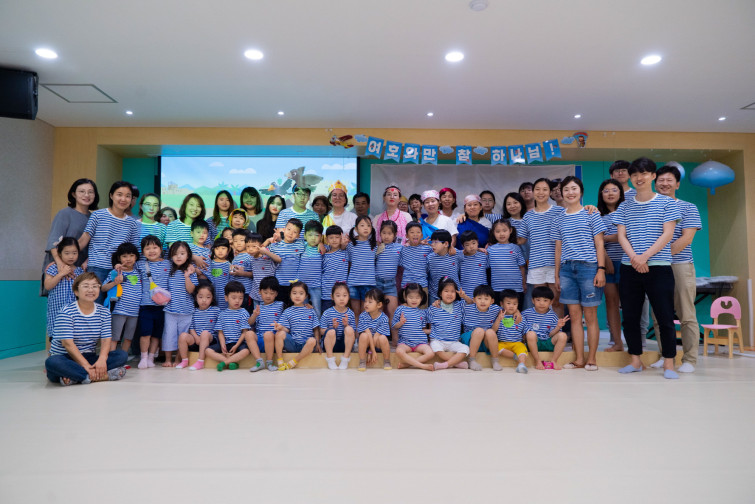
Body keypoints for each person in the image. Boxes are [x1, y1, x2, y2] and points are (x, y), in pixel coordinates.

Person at [613, 157, 681, 379]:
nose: (638, 178)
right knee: (630, 317)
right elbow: (621, 236)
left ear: (653, 176)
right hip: (629, 267)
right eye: (634, 174)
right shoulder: (624, 205)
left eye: (643, 173)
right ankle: (635, 361)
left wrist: (645, 257)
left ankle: (669, 363)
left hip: (659, 267)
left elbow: (668, 234)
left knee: (664, 316)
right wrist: (635, 258)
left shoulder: (667, 203)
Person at [649, 163, 701, 373]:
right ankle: (665, 355)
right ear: (655, 183)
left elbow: (686, 238)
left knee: (686, 314)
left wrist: (657, 254)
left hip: (679, 264)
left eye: (669, 180)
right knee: (659, 315)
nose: (664, 183)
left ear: (677, 184)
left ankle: (690, 359)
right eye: (660, 180)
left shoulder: (688, 207)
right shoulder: (650, 208)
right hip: (655, 267)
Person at [552, 176, 606, 371]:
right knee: (574, 317)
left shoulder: (591, 214)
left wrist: (601, 269)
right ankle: (579, 359)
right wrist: (557, 275)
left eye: (574, 188)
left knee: (590, 317)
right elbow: (558, 248)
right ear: (561, 193)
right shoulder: (558, 218)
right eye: (566, 189)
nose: (570, 192)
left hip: (589, 268)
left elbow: (599, 243)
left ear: (581, 191)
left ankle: (592, 359)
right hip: (567, 270)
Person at [44, 272, 128, 386]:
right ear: (76, 291)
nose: (91, 290)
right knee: (52, 362)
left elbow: (105, 339)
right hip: (65, 357)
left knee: (122, 355)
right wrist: (86, 366)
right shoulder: (66, 312)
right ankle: (99, 376)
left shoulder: (104, 312)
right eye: (86, 286)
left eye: (95, 286)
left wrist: (102, 360)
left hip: (89, 356)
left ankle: (75, 377)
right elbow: (68, 344)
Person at [78, 181, 141, 295]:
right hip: (97, 268)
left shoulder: (133, 223)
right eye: (119, 194)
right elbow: (84, 239)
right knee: (94, 302)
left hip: (120, 271)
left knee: (115, 304)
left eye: (128, 196)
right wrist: (63, 258)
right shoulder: (97, 215)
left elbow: (133, 249)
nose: (123, 199)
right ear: (111, 196)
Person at [518, 178, 565, 316]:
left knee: (556, 302)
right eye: (537, 189)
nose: (541, 192)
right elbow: (521, 239)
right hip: (536, 265)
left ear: (550, 192)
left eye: (545, 189)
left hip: (555, 265)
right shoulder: (528, 216)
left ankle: (557, 330)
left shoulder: (560, 211)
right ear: (533, 192)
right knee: (540, 304)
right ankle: (542, 330)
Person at [43, 179, 98, 290]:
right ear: (73, 194)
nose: (86, 195)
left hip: (81, 269)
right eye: (82, 191)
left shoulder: (94, 217)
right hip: (60, 266)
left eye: (90, 192)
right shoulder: (65, 213)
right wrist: (60, 264)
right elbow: (53, 241)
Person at [206, 281, 264, 372]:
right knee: (207, 351)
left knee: (246, 351)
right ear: (226, 298)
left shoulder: (243, 312)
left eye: (240, 298)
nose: (237, 301)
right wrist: (223, 345)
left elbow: (245, 332)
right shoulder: (222, 314)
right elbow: (220, 332)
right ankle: (230, 361)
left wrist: (236, 345)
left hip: (239, 343)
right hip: (226, 343)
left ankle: (224, 363)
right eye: (234, 298)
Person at [597, 179, 626, 352]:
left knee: (629, 303)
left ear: (620, 193)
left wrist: (603, 238)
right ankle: (617, 342)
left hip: (628, 262)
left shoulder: (627, 211)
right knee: (611, 303)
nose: (610, 193)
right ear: (601, 194)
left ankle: (634, 340)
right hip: (606, 264)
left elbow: (626, 235)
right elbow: (593, 240)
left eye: (614, 190)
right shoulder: (596, 215)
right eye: (606, 190)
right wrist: (606, 259)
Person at [136, 235, 171, 369]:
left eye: (155, 247)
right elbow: (127, 267)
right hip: (146, 305)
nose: (151, 251)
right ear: (142, 251)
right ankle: (143, 357)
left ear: (161, 249)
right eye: (147, 248)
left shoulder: (168, 263)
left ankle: (151, 357)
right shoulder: (140, 265)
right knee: (145, 333)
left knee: (157, 334)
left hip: (163, 306)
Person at [162, 241, 199, 367]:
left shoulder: (190, 271)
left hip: (187, 310)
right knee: (169, 335)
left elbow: (191, 290)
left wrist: (187, 276)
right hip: (170, 309)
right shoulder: (168, 269)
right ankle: (168, 359)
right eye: (175, 254)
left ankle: (178, 359)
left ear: (188, 255)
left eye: (182, 253)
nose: (178, 257)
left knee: (182, 336)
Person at [101, 242, 142, 354]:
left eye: (131, 255)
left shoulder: (139, 272)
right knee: (115, 337)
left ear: (136, 257)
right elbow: (103, 288)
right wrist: (115, 282)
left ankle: (122, 358)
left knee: (129, 337)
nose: (128, 259)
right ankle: (112, 358)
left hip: (135, 312)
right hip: (119, 310)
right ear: (119, 258)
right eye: (124, 256)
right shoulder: (115, 272)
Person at [273, 281, 320, 370]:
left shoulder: (310, 310)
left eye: (301, 293)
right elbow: (287, 330)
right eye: (294, 293)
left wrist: (318, 343)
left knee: (312, 341)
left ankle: (294, 361)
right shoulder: (287, 311)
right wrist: (281, 327)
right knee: (279, 333)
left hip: (306, 345)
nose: (297, 296)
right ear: (290, 295)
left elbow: (316, 329)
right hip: (293, 344)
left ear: (305, 296)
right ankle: (280, 361)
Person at [44, 238, 84, 339]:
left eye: (74, 253)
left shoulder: (80, 271)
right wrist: (61, 274)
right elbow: (47, 286)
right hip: (56, 310)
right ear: (59, 253)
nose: (71, 256)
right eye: (67, 253)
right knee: (56, 337)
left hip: (74, 312)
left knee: (72, 337)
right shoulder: (53, 268)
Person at [426, 277, 469, 370]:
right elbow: (428, 324)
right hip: (438, 340)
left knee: (465, 349)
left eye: (452, 291)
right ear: (440, 293)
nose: (449, 294)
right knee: (435, 346)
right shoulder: (433, 308)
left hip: (454, 341)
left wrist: (464, 296)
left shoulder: (459, 305)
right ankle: (457, 363)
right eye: (446, 291)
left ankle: (445, 365)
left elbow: (472, 303)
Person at [176, 281, 219, 370]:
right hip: (196, 339)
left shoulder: (216, 310)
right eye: (200, 297)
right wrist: (196, 338)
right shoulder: (193, 311)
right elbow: (191, 328)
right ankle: (184, 360)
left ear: (212, 298)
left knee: (205, 333)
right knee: (183, 336)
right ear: (196, 298)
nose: (204, 300)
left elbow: (220, 327)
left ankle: (200, 361)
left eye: (208, 297)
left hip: (210, 340)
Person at [523, 286, 569, 370]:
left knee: (563, 335)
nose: (541, 303)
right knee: (530, 334)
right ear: (533, 300)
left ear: (551, 302)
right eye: (538, 300)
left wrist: (558, 327)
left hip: (548, 342)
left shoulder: (553, 316)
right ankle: (537, 361)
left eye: (545, 300)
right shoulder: (526, 314)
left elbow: (551, 334)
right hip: (533, 343)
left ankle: (553, 361)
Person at [393, 283, 434, 371]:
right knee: (399, 351)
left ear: (421, 298)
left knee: (431, 353)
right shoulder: (400, 309)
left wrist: (432, 330)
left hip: (420, 343)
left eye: (417, 297)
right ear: (405, 297)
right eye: (411, 297)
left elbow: (422, 330)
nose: (414, 300)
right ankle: (422, 366)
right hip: (405, 343)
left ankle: (407, 364)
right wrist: (400, 322)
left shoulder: (422, 312)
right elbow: (394, 326)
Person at [460, 285, 500, 370]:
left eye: (486, 299)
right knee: (479, 331)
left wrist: (517, 312)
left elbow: (509, 310)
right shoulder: (467, 307)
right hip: (469, 340)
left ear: (492, 301)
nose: (482, 301)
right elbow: (451, 305)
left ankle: (495, 361)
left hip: (484, 341)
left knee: (490, 332)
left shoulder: (495, 309)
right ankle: (471, 360)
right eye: (479, 298)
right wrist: (437, 302)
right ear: (474, 300)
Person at [266, 218, 305, 302]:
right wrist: (268, 240)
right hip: (279, 283)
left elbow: (313, 244)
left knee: (293, 306)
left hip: (295, 284)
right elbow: (262, 251)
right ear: (284, 229)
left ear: (298, 235)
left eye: (295, 232)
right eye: (289, 229)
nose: (291, 233)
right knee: (280, 305)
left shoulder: (301, 244)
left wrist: (320, 243)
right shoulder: (275, 246)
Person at [375, 221, 401, 345]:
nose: (386, 236)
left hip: (391, 285)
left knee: (393, 312)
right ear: (380, 234)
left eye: (389, 233)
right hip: (377, 284)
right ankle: (378, 341)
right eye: (384, 233)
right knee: (376, 312)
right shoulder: (377, 248)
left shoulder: (399, 248)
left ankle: (395, 340)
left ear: (395, 235)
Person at [487, 219, 526, 303]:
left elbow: (521, 267)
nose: (501, 234)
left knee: (515, 310)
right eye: (498, 231)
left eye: (504, 230)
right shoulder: (490, 250)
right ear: (493, 232)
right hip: (497, 288)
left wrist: (524, 283)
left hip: (516, 288)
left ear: (510, 230)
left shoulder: (515, 248)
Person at [347, 216, 377, 320]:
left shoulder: (374, 245)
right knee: (355, 312)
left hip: (369, 283)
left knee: (365, 313)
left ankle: (364, 331)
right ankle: (356, 331)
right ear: (356, 228)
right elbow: (349, 263)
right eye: (362, 225)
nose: (366, 228)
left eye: (368, 226)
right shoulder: (351, 245)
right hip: (353, 283)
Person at [320, 282, 356, 370]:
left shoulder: (350, 313)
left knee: (349, 329)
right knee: (331, 332)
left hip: (345, 344)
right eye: (338, 295)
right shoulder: (327, 313)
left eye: (344, 295)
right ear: (332, 297)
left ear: (348, 297)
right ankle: (330, 359)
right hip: (331, 344)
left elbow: (353, 333)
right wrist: (332, 328)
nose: (341, 298)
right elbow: (321, 331)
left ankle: (345, 359)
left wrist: (346, 325)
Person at [493, 289, 530, 373]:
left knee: (522, 349)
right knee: (495, 347)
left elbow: (525, 332)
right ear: (502, 304)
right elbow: (493, 330)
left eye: (514, 304)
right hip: (502, 342)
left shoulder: (520, 318)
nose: (511, 306)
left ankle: (521, 365)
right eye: (508, 303)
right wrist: (498, 319)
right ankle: (515, 357)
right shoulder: (499, 316)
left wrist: (525, 342)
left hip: (517, 342)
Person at [254, 276, 286, 371]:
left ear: (276, 294)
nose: (268, 296)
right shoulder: (258, 307)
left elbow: (293, 307)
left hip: (273, 340)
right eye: (265, 292)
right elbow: (250, 322)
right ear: (260, 291)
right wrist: (254, 315)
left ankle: (269, 363)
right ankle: (259, 361)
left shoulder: (280, 305)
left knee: (268, 334)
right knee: (248, 334)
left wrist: (306, 305)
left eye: (272, 293)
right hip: (260, 339)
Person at [356, 288, 392, 370]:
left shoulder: (384, 318)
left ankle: (387, 361)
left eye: (370, 302)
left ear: (379, 305)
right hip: (367, 342)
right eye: (365, 301)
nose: (366, 304)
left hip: (377, 342)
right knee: (364, 335)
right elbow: (368, 333)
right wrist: (371, 350)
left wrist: (370, 352)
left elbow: (376, 335)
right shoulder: (363, 316)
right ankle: (362, 361)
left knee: (383, 338)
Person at [245, 233, 281, 309]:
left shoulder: (267, 257)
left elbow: (279, 260)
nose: (250, 249)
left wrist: (266, 251)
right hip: (256, 293)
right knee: (257, 313)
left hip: (268, 293)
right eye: (247, 246)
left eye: (253, 246)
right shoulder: (251, 258)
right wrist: (267, 240)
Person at [399, 222, 431, 302]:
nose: (415, 234)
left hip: (422, 286)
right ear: (406, 236)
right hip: (406, 286)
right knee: (406, 309)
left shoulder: (427, 249)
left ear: (422, 235)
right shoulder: (402, 250)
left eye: (418, 232)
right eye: (412, 232)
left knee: (422, 309)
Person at [321, 225, 349, 312]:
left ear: (341, 238)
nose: (334, 240)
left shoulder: (345, 252)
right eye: (331, 238)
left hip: (341, 294)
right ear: (327, 239)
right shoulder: (324, 253)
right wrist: (320, 243)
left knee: (341, 315)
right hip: (327, 293)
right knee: (327, 315)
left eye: (337, 237)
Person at [299, 220, 324, 315]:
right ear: (305, 236)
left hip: (316, 286)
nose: (313, 238)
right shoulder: (302, 246)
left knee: (317, 310)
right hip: (302, 286)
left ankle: (317, 325)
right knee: (302, 309)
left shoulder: (323, 249)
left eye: (317, 235)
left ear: (321, 237)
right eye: (310, 235)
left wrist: (321, 244)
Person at [426, 230, 458, 304]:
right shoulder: (430, 258)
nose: (432, 245)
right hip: (435, 295)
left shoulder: (455, 254)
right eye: (432, 242)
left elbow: (468, 252)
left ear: (446, 244)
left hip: (453, 294)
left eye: (436, 242)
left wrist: (479, 249)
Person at [457, 230, 489, 297]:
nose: (471, 246)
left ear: (478, 242)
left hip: (482, 294)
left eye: (473, 243)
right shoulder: (460, 258)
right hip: (466, 294)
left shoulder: (484, 256)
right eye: (467, 245)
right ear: (463, 246)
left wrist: (479, 249)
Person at [230, 229, 254, 312]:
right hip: (236, 291)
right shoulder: (236, 256)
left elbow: (253, 274)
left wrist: (242, 273)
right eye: (235, 241)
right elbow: (233, 272)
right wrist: (232, 270)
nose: (238, 243)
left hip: (246, 291)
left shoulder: (249, 256)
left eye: (241, 240)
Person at [208, 237, 233, 310]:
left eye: (223, 248)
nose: (220, 251)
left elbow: (232, 281)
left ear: (228, 250)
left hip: (224, 295)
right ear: (213, 250)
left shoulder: (230, 265)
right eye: (217, 248)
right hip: (212, 294)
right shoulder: (210, 263)